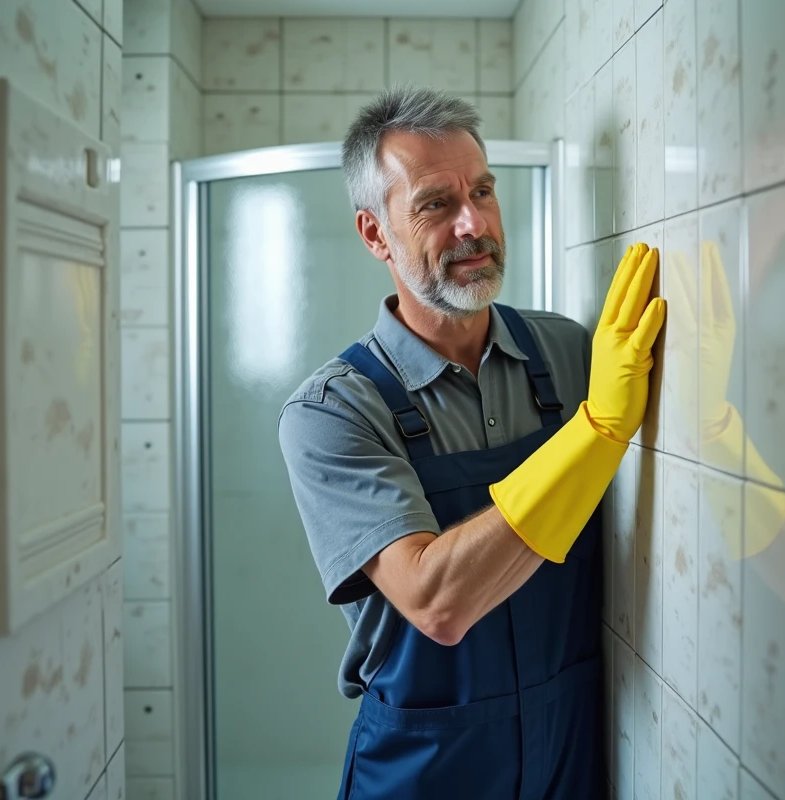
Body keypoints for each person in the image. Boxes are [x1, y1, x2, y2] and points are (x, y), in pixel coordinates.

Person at [277, 85, 666, 800]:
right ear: (374, 234)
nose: (473, 224)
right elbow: (437, 602)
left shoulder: (572, 353)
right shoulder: (333, 412)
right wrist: (596, 431)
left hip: (569, 744)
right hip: (426, 766)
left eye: (482, 192)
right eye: (434, 203)